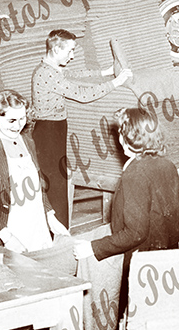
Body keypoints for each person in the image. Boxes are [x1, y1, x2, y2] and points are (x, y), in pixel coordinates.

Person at [31, 29, 133, 229]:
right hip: (48, 133)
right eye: (70, 51)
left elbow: (72, 74)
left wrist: (103, 73)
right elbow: (82, 94)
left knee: (58, 181)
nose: (72, 56)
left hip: (55, 129)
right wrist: (115, 82)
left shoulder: (50, 68)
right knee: (55, 185)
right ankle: (57, 235)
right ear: (56, 48)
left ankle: (58, 232)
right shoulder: (46, 73)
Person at [73, 107, 179, 262]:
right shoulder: (168, 165)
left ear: (125, 137)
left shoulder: (135, 174)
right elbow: (176, 213)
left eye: (120, 131)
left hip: (142, 259)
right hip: (168, 251)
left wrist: (93, 247)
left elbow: (135, 233)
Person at [0, 89, 69, 253]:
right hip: (1, 224)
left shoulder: (26, 139)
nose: (18, 126)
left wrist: (50, 216)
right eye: (11, 120)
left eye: (22, 119)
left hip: (34, 219)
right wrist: (7, 237)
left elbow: (37, 181)